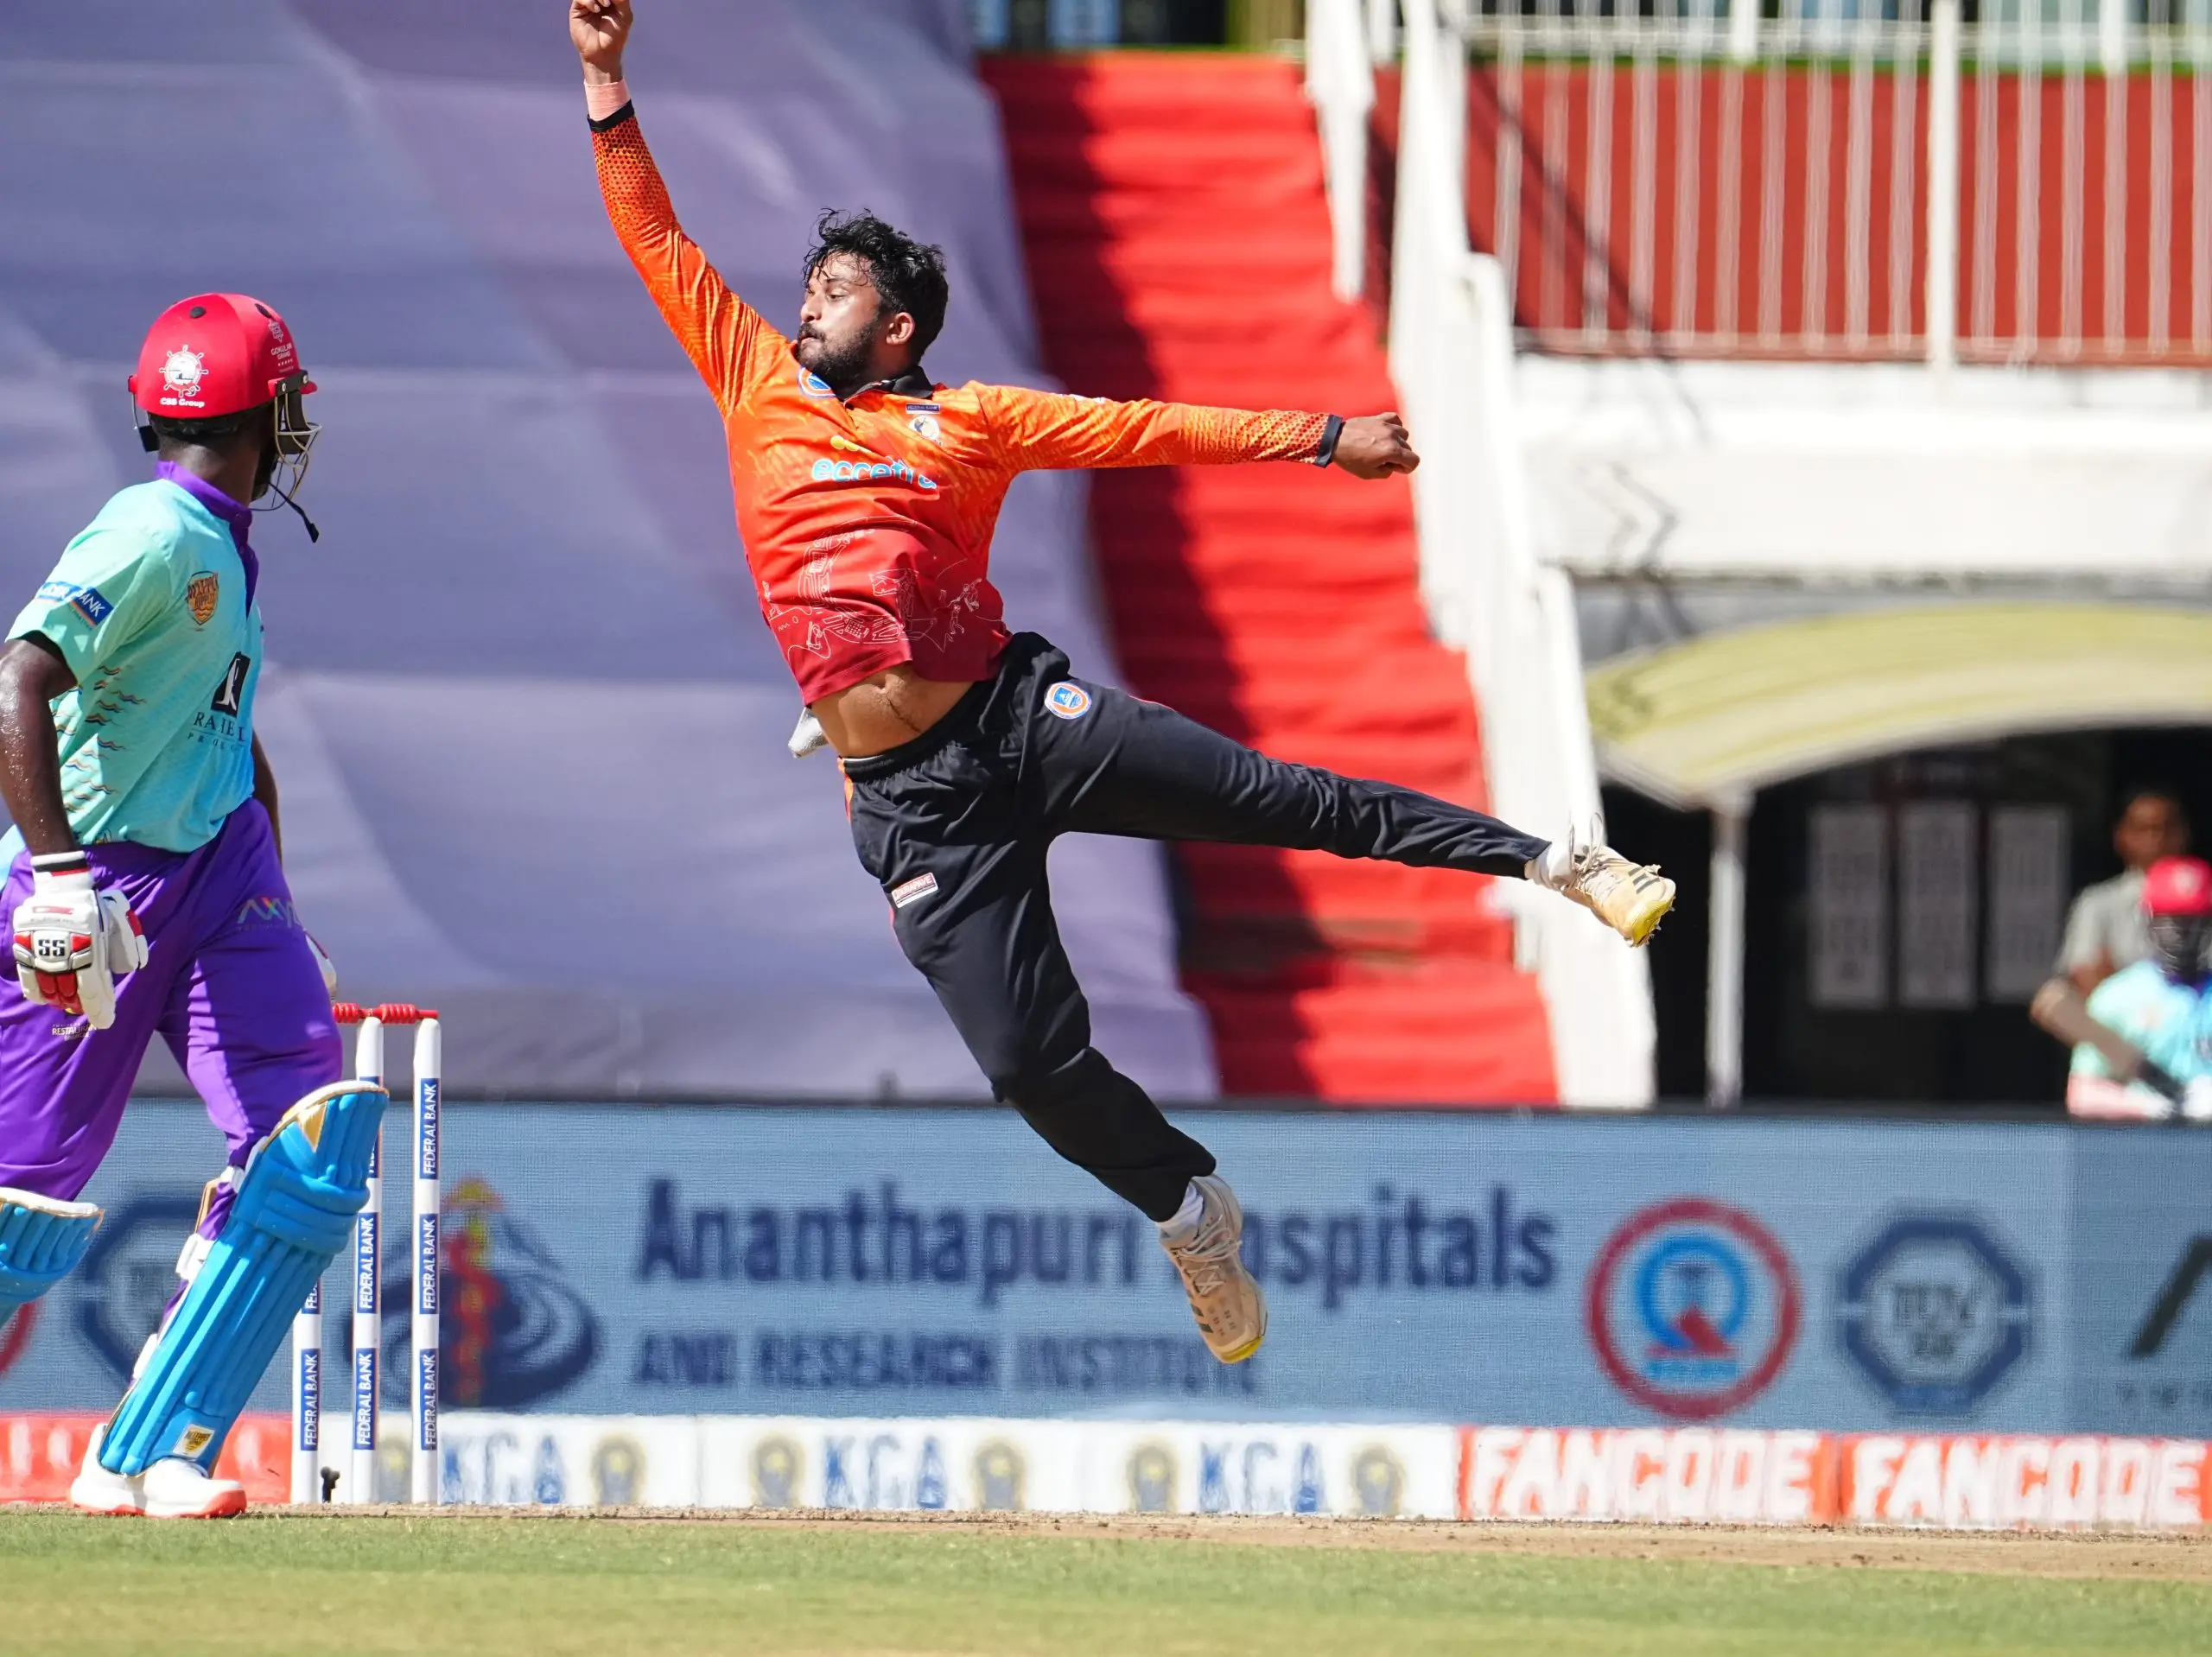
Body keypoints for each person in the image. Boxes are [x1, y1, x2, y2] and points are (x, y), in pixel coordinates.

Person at [569, 0, 1675, 1363]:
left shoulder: (968, 421)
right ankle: (1189, 1208)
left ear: (899, 328)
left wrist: (1324, 436)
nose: (805, 303)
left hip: (1019, 720)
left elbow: (1145, 427)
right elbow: (655, 238)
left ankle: (1560, 862)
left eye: (837, 291)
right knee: (1027, 1065)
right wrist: (607, 79)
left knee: (1289, 801)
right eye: (810, 284)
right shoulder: (755, 384)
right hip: (914, 805)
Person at [0, 294, 383, 1517]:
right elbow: (18, 679)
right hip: (100, 874)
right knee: (19, 1208)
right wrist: (59, 876)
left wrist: (279, 897)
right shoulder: (154, 529)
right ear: (273, 412)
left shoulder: (217, 537)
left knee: (309, 1150)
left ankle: (160, 1447)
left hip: (222, 866)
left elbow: (226, 729)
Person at [2066, 856, 2212, 1121]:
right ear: (2149, 922)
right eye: (2172, 920)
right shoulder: (2118, 996)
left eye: (2195, 920)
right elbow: (2082, 1093)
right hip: (2141, 1140)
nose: (2183, 933)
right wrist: (2147, 1105)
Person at [2060, 790, 2190, 996]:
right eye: (2144, 829)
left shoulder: (2204, 900)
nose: (2156, 839)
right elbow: (2084, 971)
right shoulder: (2098, 901)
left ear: (2183, 834)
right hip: (2116, 1012)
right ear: (2122, 836)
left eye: (2166, 829)